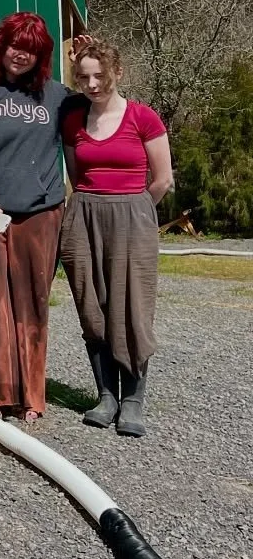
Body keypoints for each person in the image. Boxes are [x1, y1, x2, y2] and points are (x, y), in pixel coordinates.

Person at [0, 12, 77, 423]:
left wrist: (85, 61)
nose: (19, 55)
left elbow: (96, 107)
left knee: (31, 303)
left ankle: (30, 396)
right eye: (13, 45)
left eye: (30, 49)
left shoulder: (56, 95)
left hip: (41, 214)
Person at [60, 37, 173, 437]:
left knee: (132, 306)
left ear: (118, 73)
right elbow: (76, 176)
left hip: (133, 215)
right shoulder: (73, 120)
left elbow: (162, 180)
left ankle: (134, 399)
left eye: (100, 76)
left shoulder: (144, 118)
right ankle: (106, 395)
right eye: (84, 77)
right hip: (85, 213)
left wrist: (135, 209)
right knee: (93, 303)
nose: (92, 85)